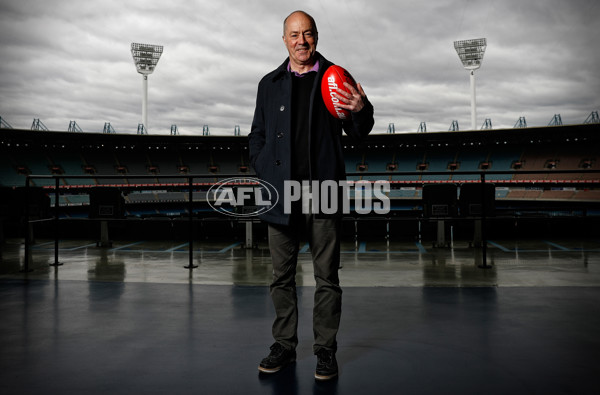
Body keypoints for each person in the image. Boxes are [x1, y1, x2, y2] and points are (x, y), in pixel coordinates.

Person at [248, 10, 374, 381]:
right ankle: (285, 347)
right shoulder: (268, 83)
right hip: (280, 191)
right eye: (293, 34)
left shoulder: (337, 77)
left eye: (307, 34)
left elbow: (360, 131)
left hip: (324, 190)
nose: (301, 41)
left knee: (327, 278)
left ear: (316, 37)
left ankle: (325, 351)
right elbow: (257, 134)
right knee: (281, 277)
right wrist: (263, 168)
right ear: (284, 39)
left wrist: (361, 110)